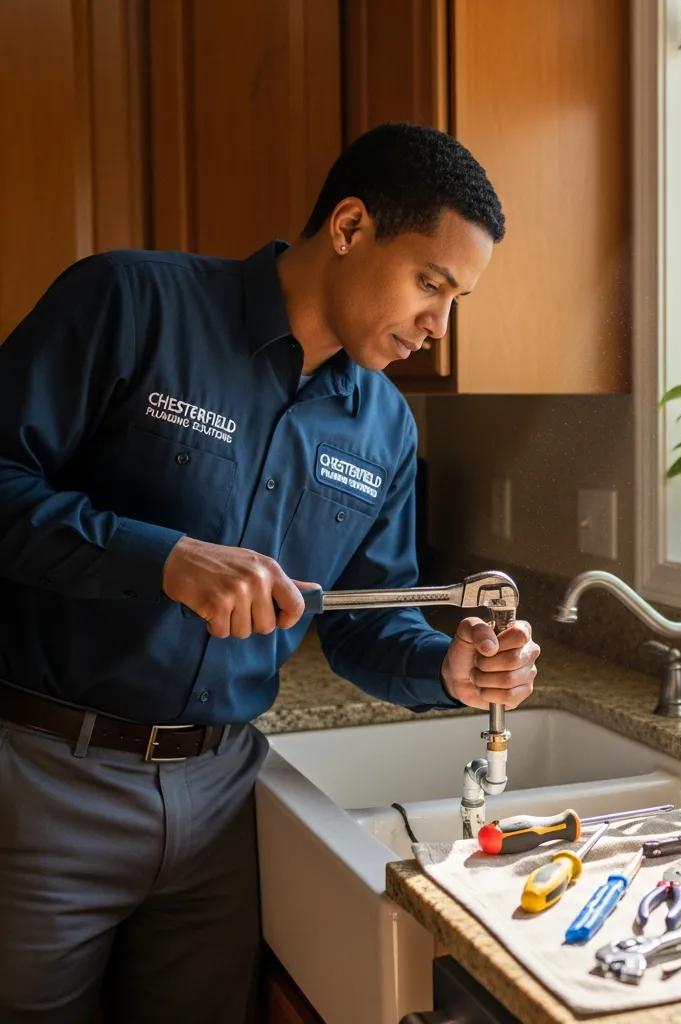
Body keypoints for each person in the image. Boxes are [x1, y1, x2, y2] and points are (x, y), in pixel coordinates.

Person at [0, 122, 540, 1023]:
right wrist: (161, 558)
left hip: (223, 802)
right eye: (429, 283)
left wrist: (445, 667)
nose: (436, 326)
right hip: (47, 782)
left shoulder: (387, 431)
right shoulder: (129, 302)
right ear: (351, 226)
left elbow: (364, 623)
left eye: (456, 299)